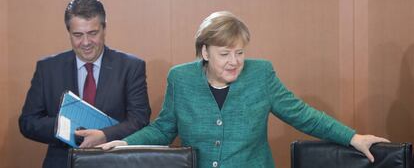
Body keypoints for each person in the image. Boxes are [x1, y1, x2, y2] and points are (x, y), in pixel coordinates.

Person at [99, 11, 388, 168]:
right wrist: (126, 144)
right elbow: (163, 129)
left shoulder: (261, 75)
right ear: (205, 52)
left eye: (239, 52)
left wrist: (353, 137)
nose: (235, 62)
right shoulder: (181, 79)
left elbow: (304, 115)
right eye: (225, 54)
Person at [18, 0, 151, 167]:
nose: (86, 42)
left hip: (114, 161)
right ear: (69, 32)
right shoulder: (47, 68)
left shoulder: (131, 67)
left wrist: (104, 135)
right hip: (62, 162)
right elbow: (28, 122)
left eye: (93, 33)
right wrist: (69, 128)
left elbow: (139, 119)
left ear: (104, 28)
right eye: (78, 35)